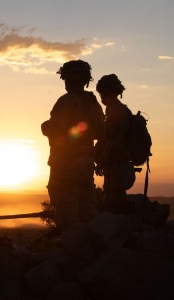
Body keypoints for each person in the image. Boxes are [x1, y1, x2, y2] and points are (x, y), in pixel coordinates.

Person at [41, 60, 105, 231]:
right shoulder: (93, 103)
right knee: (87, 207)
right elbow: (100, 132)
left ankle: (75, 247)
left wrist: (45, 126)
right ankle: (94, 246)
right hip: (86, 162)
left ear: (67, 79)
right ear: (86, 80)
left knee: (66, 208)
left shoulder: (66, 101)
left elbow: (55, 129)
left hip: (65, 163)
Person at [95, 74, 136, 213]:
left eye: (102, 93)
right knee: (114, 195)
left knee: (114, 198)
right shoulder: (116, 109)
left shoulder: (117, 112)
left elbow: (113, 140)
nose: (101, 97)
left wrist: (101, 160)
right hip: (117, 161)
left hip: (117, 162)